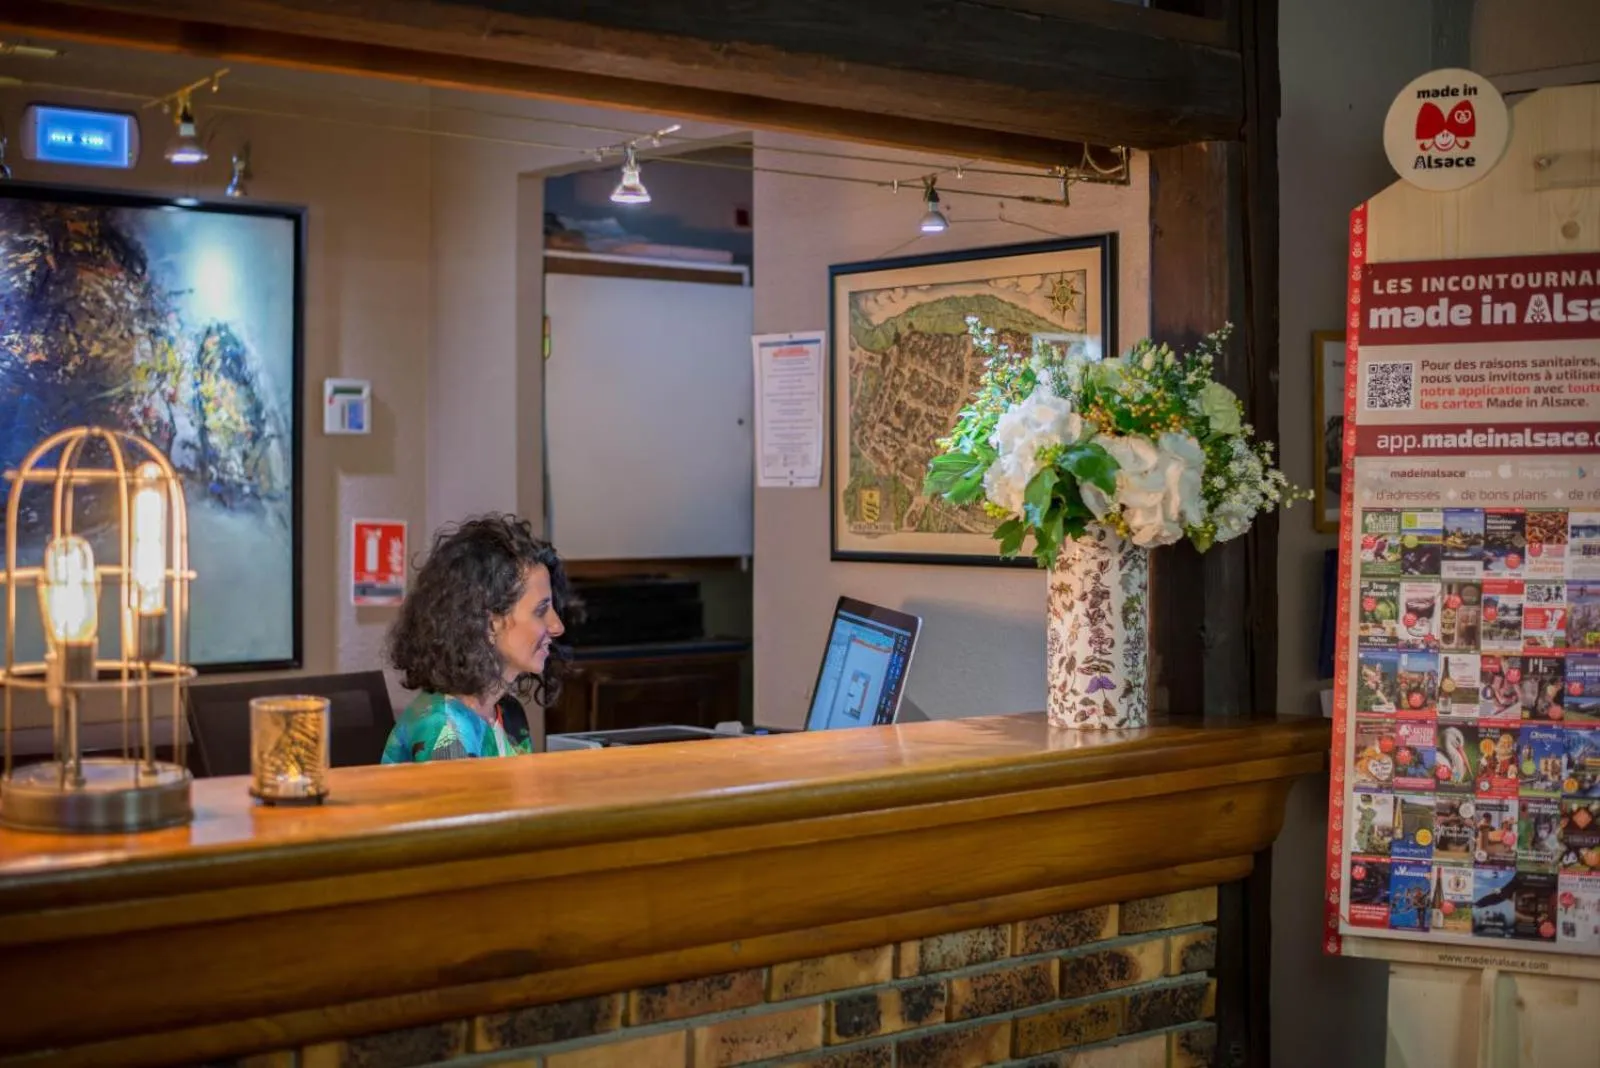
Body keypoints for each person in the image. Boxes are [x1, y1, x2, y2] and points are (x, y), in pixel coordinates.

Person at [382, 514, 574, 762]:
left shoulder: (508, 712)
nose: (557, 626)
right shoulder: (445, 731)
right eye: (540, 610)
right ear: (489, 623)